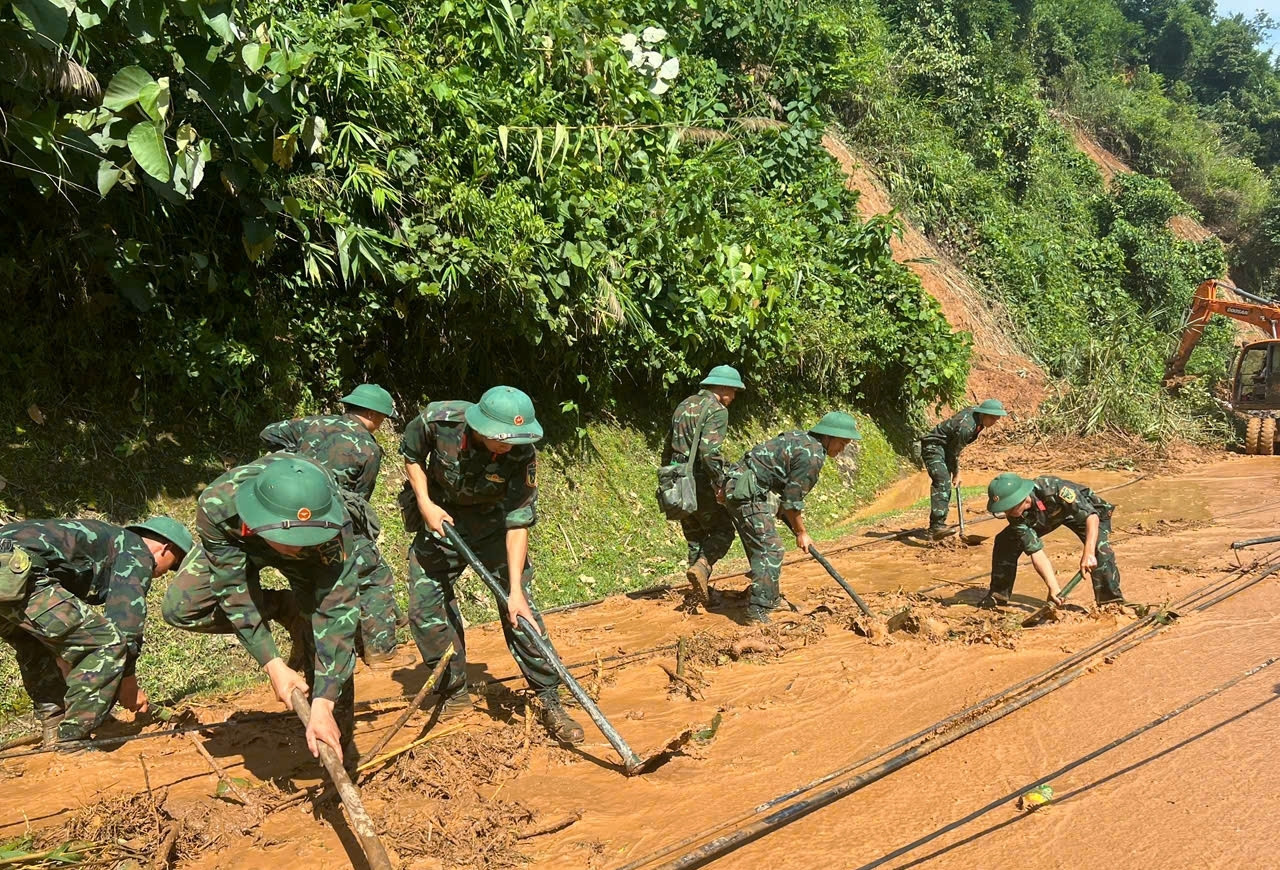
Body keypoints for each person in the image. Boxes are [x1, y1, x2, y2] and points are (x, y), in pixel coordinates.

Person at [400, 385, 585, 744]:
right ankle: (452, 693)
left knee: (521, 613)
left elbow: (518, 522)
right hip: (442, 520)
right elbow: (411, 456)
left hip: (494, 528)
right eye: (500, 439)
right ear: (479, 427)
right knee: (425, 610)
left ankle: (548, 697)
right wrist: (424, 502)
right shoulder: (438, 422)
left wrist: (515, 592)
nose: (506, 447)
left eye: (514, 440)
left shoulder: (522, 455)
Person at [162, 454, 360, 764]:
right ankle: (285, 607)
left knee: (321, 633)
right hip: (239, 540)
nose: (301, 544)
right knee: (181, 607)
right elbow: (232, 589)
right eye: (295, 539)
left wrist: (323, 700)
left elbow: (337, 613)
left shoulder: (331, 527)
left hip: (312, 559)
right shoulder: (218, 507)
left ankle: (337, 747)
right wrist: (273, 663)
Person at [0, 516, 192, 744]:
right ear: (165, 548)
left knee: (37, 647)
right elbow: (125, 624)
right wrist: (128, 682)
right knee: (107, 643)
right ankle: (72, 741)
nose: (164, 572)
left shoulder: (106, 541)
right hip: (14, 570)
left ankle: (55, 727)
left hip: (13, 575)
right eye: (174, 563)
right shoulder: (136, 550)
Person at [260, 383, 405, 666]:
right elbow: (359, 498)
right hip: (330, 522)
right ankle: (381, 652)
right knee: (374, 575)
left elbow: (268, 434)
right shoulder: (369, 449)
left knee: (307, 585)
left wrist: (293, 459)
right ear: (375, 415)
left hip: (286, 520)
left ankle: (306, 655)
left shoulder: (310, 423)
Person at [723, 412, 861, 623]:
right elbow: (792, 503)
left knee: (762, 546)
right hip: (747, 491)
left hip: (741, 485)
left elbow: (778, 480)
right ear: (828, 437)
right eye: (841, 443)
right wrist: (801, 533)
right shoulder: (812, 456)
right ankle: (757, 611)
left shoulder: (800, 439)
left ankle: (767, 595)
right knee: (771, 549)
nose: (841, 450)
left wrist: (782, 508)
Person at [661, 365, 745, 603]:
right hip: (698, 480)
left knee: (695, 534)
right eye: (734, 391)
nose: (734, 397)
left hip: (676, 477)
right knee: (723, 530)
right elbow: (709, 453)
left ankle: (698, 590)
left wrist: (667, 478)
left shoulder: (684, 404)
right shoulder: (716, 410)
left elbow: (668, 444)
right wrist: (720, 484)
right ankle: (703, 567)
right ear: (724, 388)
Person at [983, 472, 1124, 609]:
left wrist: (1088, 553)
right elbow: (1035, 551)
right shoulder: (1016, 515)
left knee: (1099, 548)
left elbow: (1091, 517)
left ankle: (1111, 602)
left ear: (1021, 499)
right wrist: (1053, 588)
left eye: (1008, 508)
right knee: (1005, 541)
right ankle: (998, 595)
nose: (1007, 514)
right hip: (1046, 516)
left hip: (1084, 513)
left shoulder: (1054, 489)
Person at [918, 399, 1008, 539]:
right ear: (984, 414)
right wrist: (957, 473)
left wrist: (954, 471)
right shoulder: (966, 427)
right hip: (934, 446)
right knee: (942, 481)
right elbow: (954, 452)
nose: (994, 421)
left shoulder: (978, 419)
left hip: (945, 448)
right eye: (993, 418)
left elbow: (952, 450)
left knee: (944, 483)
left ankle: (938, 524)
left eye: (997, 418)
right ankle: (936, 527)